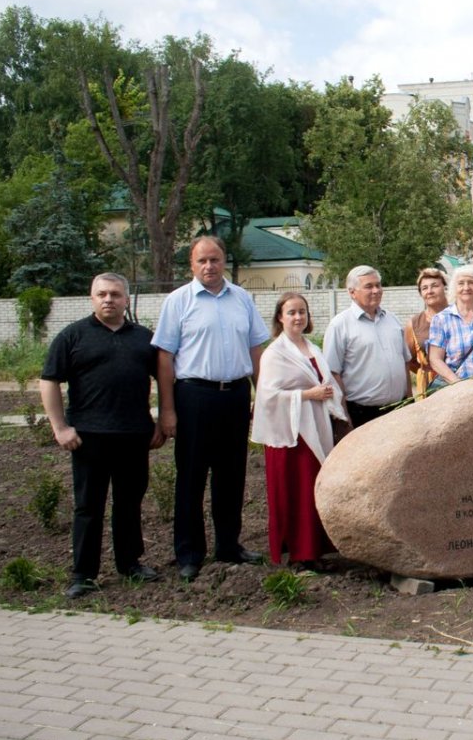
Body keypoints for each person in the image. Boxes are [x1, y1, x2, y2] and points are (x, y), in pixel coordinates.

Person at [40, 273, 165, 598]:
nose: (108, 299)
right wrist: (60, 427)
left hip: (134, 436)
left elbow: (166, 377)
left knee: (129, 503)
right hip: (88, 437)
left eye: (115, 294)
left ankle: (130, 564)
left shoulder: (144, 339)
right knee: (88, 506)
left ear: (126, 299)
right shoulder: (73, 336)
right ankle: (84, 573)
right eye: (102, 294)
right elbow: (49, 380)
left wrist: (162, 419)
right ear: (92, 298)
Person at [154, 237, 271, 581]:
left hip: (234, 396)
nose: (209, 266)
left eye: (215, 260)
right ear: (191, 264)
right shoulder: (178, 302)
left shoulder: (242, 299)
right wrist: (167, 410)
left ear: (224, 261)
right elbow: (164, 357)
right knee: (191, 478)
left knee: (231, 476)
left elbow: (255, 350)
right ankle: (189, 553)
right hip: (194, 397)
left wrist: (260, 398)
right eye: (202, 260)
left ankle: (228, 545)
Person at [250, 292, 347, 570]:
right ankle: (300, 553)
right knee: (298, 489)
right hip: (291, 433)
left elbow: (325, 381)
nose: (297, 317)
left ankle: (316, 548)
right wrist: (307, 395)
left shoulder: (312, 347)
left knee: (315, 488)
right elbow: (268, 396)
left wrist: (327, 394)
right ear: (280, 317)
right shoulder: (275, 353)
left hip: (316, 424)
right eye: (291, 312)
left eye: (302, 312)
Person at [323, 265, 411, 428]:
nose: (376, 290)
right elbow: (332, 373)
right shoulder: (339, 325)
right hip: (362, 414)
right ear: (352, 292)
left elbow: (405, 362)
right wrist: (343, 414)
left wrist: (410, 402)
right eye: (369, 286)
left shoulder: (392, 320)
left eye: (378, 285)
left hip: (399, 410)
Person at [428, 264, 473, 387]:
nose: (466, 287)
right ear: (454, 288)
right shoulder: (442, 319)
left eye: (471, 283)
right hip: (455, 390)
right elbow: (435, 359)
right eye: (461, 283)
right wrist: (457, 383)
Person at [405, 268, 449, 400]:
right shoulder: (413, 324)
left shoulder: (458, 316)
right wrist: (427, 371)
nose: (429, 291)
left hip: (458, 381)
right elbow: (409, 360)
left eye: (435, 286)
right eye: (424, 288)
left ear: (445, 288)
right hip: (428, 389)